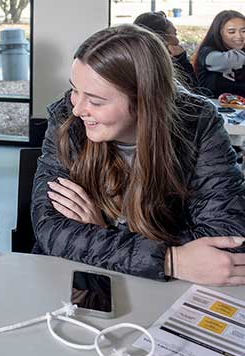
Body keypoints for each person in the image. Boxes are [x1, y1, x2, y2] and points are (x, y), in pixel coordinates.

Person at [33, 25, 245, 286]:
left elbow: (227, 237)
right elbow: (51, 228)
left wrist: (103, 233)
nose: (77, 109)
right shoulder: (67, 119)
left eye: (96, 101)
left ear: (145, 102)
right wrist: (172, 260)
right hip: (70, 280)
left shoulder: (198, 122)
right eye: (75, 90)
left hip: (165, 290)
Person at [133, 11, 196, 91]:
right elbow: (194, 94)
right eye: (175, 34)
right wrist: (181, 60)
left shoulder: (140, 61)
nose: (177, 41)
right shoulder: (159, 67)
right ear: (162, 37)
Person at [191, 10, 245, 97]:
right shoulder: (207, 53)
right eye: (231, 32)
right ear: (219, 33)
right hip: (212, 108)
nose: (239, 36)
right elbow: (228, 61)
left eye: (244, 31)